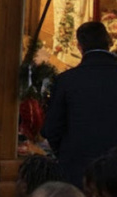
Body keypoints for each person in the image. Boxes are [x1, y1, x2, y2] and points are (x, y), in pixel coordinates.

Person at [42, 21, 117, 188]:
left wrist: (66, 154)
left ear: (79, 46)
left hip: (76, 170)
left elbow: (52, 128)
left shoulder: (67, 80)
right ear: (108, 42)